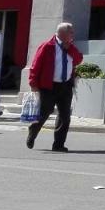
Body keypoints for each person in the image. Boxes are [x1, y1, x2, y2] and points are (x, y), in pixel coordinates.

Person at [26, 22, 84, 152]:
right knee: (44, 112)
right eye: (71, 32)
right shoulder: (47, 46)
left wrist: (70, 48)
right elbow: (36, 65)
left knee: (65, 116)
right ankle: (33, 131)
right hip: (49, 86)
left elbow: (79, 59)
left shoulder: (70, 47)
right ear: (63, 33)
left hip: (66, 85)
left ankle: (58, 144)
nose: (73, 34)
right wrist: (33, 83)